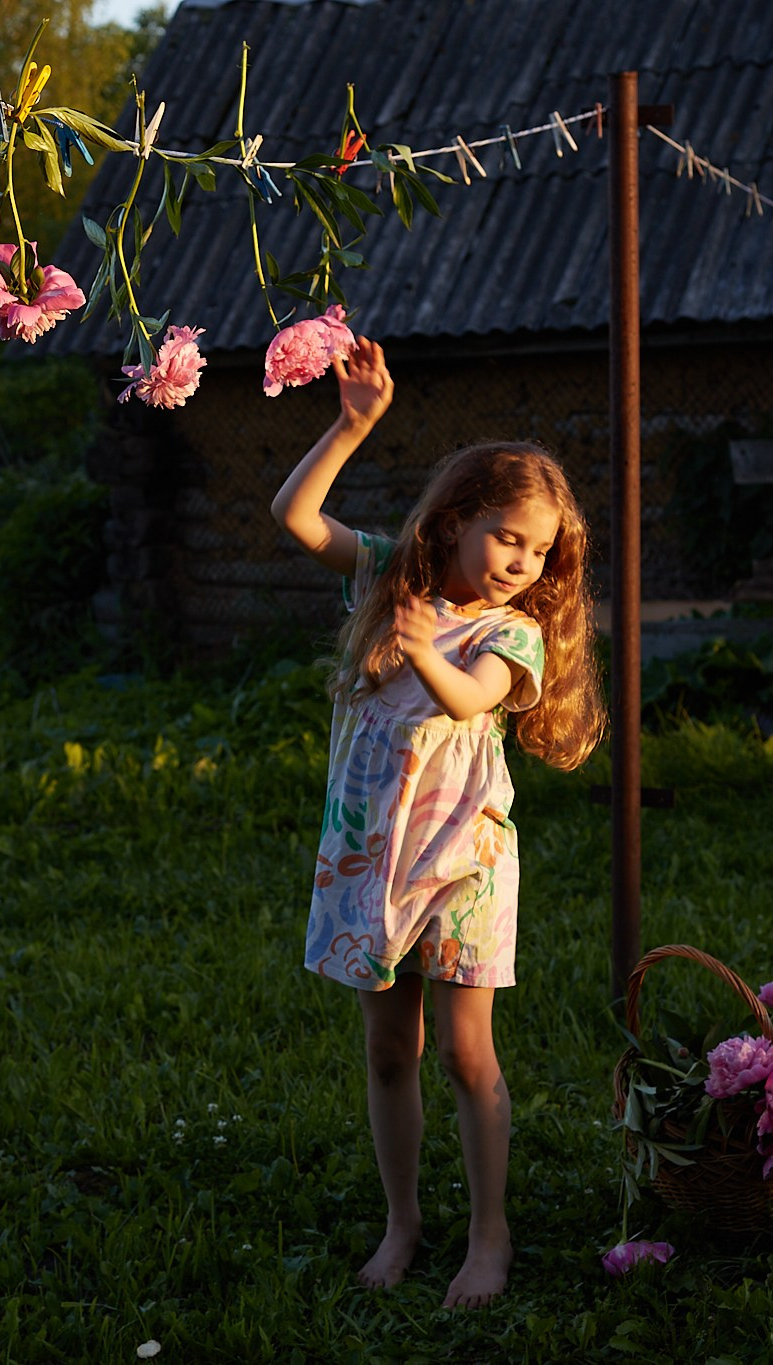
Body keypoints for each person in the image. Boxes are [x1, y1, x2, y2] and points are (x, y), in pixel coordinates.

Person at [270, 337, 605, 1308]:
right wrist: (351, 426)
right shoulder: (386, 578)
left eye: (538, 550)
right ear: (455, 521)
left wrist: (423, 652)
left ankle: (489, 1235)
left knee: (465, 1052)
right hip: (370, 859)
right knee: (389, 1051)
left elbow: (468, 699)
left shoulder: (512, 632)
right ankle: (403, 1224)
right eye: (507, 538)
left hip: (463, 860)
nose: (521, 563)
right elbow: (294, 518)